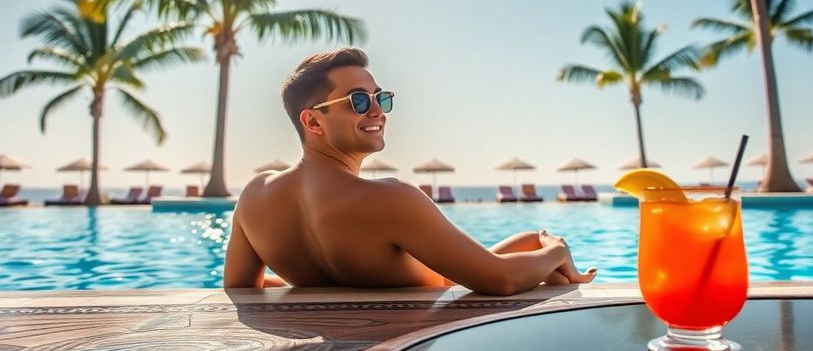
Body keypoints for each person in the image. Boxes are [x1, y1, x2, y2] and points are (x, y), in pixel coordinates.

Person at [224, 48, 596, 295]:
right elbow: (499, 280)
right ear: (313, 122)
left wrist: (306, 289)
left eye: (380, 97)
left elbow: (240, 290)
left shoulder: (256, 196)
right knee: (546, 249)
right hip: (427, 332)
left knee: (533, 237)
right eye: (358, 100)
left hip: (404, 304)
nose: (377, 111)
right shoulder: (389, 199)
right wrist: (556, 252)